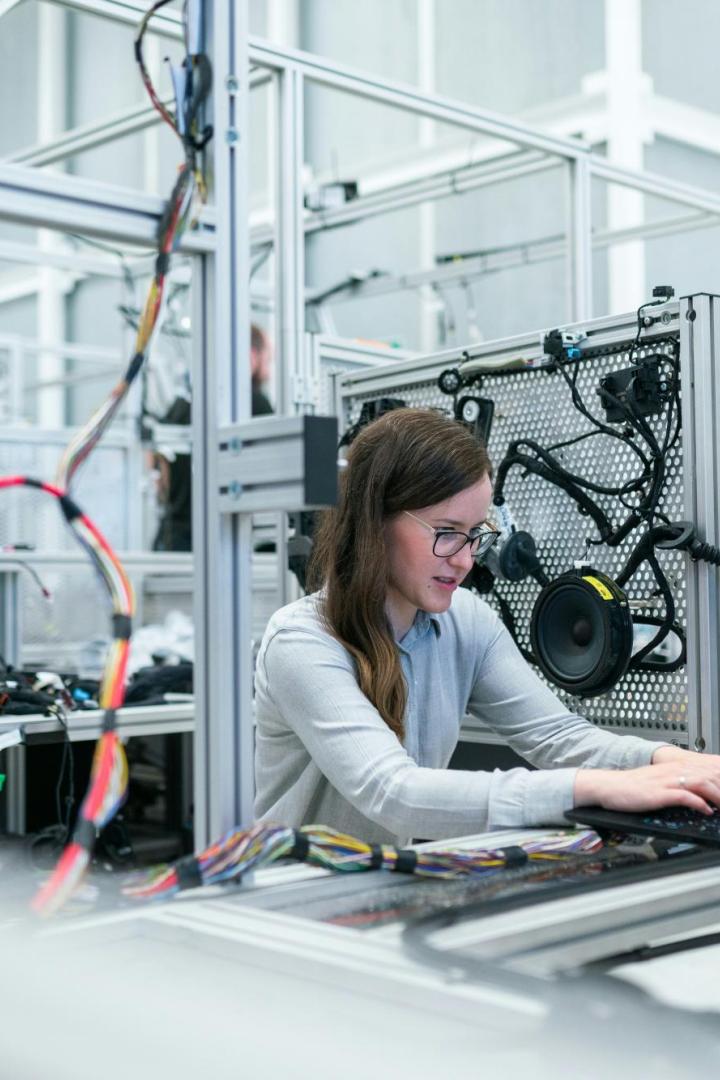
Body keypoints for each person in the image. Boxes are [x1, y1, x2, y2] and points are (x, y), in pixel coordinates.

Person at [254, 407, 720, 845]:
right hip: (298, 889)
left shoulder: (467, 621)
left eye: (476, 533)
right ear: (374, 522)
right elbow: (393, 793)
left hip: (386, 882)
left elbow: (558, 737)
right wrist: (594, 788)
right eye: (446, 533)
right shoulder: (303, 642)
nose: (464, 561)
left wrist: (670, 762)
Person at [151, 323, 274, 551]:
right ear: (251, 356)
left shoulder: (183, 403)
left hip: (172, 540)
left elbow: (158, 470)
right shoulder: (254, 402)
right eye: (268, 359)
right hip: (221, 541)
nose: (270, 368)